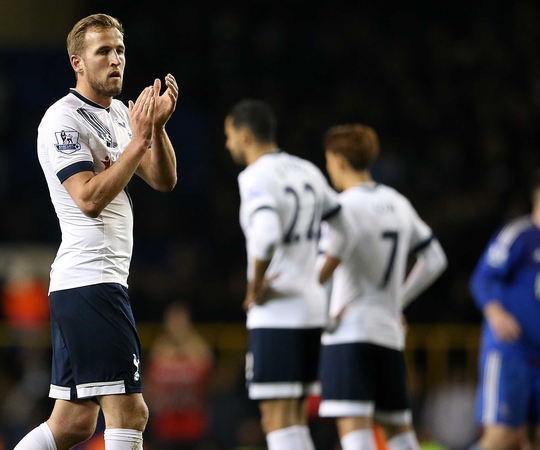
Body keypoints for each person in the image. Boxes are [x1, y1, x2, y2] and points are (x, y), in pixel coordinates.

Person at [15, 13, 179, 450]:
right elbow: (87, 198)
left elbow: (164, 181)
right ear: (78, 62)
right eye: (103, 51)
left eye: (120, 50)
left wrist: (154, 131)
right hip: (92, 279)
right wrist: (138, 141)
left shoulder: (121, 117)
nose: (115, 60)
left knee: (73, 423)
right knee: (130, 412)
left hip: (93, 282)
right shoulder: (62, 119)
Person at [224, 99, 352, 450]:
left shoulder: (255, 177)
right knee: (294, 416)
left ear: (245, 135)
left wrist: (257, 285)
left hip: (278, 312)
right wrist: (318, 276)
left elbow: (265, 236)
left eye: (229, 135)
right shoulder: (306, 170)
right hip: (311, 308)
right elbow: (346, 229)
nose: (228, 144)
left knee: (276, 418)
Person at [316, 124, 447, 450]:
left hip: (349, 332)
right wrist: (398, 300)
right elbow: (435, 258)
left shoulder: (341, 207)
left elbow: (322, 271)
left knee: (355, 432)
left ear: (339, 160)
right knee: (399, 432)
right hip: (388, 332)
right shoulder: (397, 202)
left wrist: (325, 318)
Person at [469, 167, 540, 450]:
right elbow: (483, 278)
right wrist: (495, 313)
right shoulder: (518, 235)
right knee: (503, 438)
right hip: (511, 354)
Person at [144, 302, 213, 449]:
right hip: (165, 425)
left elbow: (209, 379)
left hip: (193, 425)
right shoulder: (158, 350)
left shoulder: (200, 349)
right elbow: (150, 388)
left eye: (181, 320)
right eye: (173, 320)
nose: (177, 325)